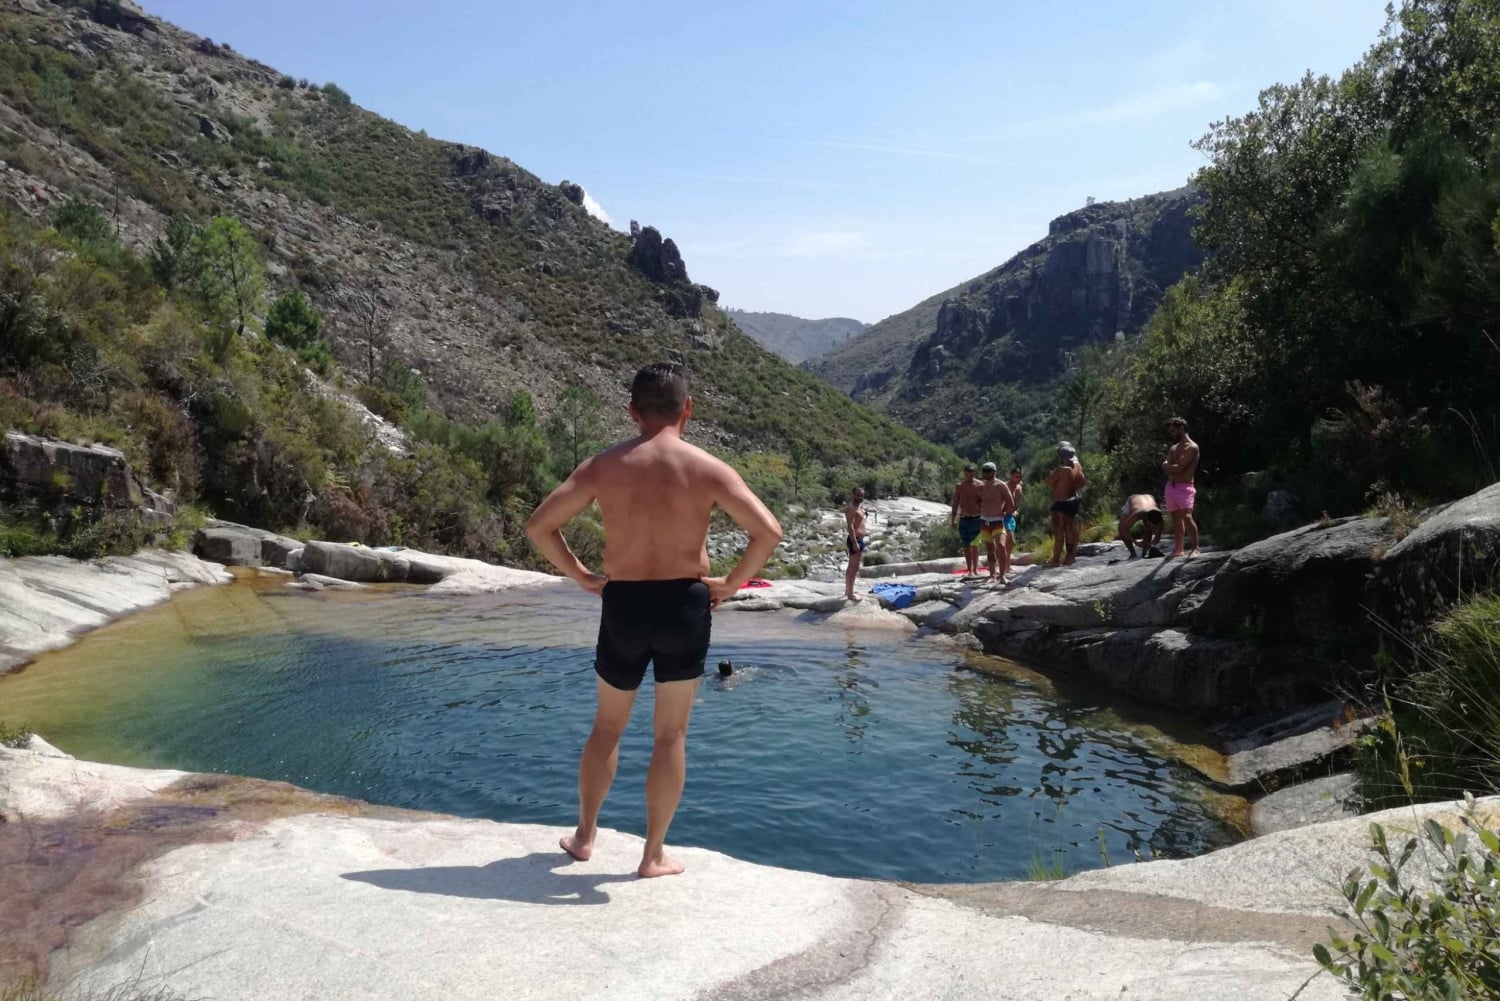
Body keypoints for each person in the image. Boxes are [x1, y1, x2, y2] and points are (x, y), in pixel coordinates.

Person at [525, 362, 782, 878]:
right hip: (684, 605)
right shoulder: (708, 467)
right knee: (670, 735)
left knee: (607, 727)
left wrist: (581, 575)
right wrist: (730, 584)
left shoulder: (603, 466)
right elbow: (768, 532)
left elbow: (539, 527)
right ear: (688, 409)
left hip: (623, 603)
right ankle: (653, 854)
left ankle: (584, 837)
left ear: (633, 412)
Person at [1162, 416, 1200, 558]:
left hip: (1185, 487)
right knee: (1176, 520)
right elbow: (1166, 467)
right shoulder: (1174, 448)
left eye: (1173, 430)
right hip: (1170, 487)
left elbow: (1180, 468)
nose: (1171, 434)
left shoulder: (1192, 447)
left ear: (1181, 428)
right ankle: (1179, 549)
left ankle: (1196, 548)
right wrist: (1170, 467)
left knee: (1187, 516)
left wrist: (1169, 466)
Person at [1045, 443, 1086, 566]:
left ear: (1062, 456)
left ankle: (1055, 560)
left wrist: (1053, 476)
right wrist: (1071, 487)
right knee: (1070, 530)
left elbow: (1048, 483)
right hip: (1073, 501)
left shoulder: (1061, 469)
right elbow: (1082, 481)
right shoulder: (1077, 466)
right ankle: (1070, 557)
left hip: (1061, 503)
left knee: (1059, 531)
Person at [976, 462, 1015, 581]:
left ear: (994, 472)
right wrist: (982, 509)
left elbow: (1011, 502)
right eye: (984, 471)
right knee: (990, 549)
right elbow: (977, 500)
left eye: (989, 471)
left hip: (998, 520)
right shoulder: (980, 486)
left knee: (1001, 546)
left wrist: (1005, 513)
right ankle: (992, 574)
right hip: (985, 520)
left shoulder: (1000, 485)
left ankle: (1002, 575)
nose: (986, 473)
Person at [950, 464, 983, 576]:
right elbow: (955, 503)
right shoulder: (959, 486)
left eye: (972, 475)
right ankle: (969, 569)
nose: (969, 477)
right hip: (964, 518)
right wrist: (953, 520)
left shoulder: (979, 485)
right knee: (966, 545)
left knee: (975, 544)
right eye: (967, 475)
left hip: (976, 518)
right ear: (964, 474)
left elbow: (985, 501)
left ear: (974, 474)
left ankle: (975, 568)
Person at [1116, 494, 1164, 558]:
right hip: (1134, 500)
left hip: (1149, 499)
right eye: (1151, 525)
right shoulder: (1136, 514)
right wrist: (1135, 542)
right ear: (1147, 518)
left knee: (1148, 528)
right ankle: (1133, 554)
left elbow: (1158, 535)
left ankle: (1144, 554)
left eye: (1154, 527)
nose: (1152, 527)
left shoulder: (1159, 516)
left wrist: (1152, 544)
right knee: (1120, 528)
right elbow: (1123, 530)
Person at [844, 486, 868, 602]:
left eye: (861, 495)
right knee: (853, 567)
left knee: (852, 566)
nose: (860, 497)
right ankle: (850, 594)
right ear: (853, 494)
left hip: (859, 539)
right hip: (855, 539)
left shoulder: (859, 507)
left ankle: (848, 590)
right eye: (858, 494)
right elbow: (850, 526)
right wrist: (854, 542)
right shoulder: (851, 508)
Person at [1004, 467, 1024, 569]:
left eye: (1019, 477)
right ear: (1011, 476)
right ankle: (1002, 565)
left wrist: (1016, 510)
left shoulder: (1019, 488)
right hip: (1002, 517)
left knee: (1009, 544)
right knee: (1010, 540)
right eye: (1016, 477)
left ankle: (1007, 566)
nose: (1018, 479)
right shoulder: (1004, 486)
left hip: (1011, 516)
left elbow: (1017, 505)